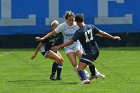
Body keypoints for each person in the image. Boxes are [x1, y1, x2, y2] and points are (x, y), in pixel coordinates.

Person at [51, 14, 121, 84]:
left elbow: (70, 41)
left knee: (79, 69)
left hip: (89, 52)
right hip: (96, 51)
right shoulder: (91, 26)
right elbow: (102, 33)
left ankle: (85, 80)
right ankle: (94, 74)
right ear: (83, 20)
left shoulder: (79, 31)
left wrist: (59, 46)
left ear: (77, 22)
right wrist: (113, 37)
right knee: (89, 62)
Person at [35, 11, 105, 79]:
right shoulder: (62, 26)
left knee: (85, 60)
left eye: (73, 19)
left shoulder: (76, 25)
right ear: (66, 19)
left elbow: (86, 30)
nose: (71, 21)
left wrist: (98, 34)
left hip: (76, 44)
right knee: (74, 63)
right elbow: (52, 32)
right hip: (68, 47)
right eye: (70, 20)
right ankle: (82, 76)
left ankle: (96, 73)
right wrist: (42, 38)